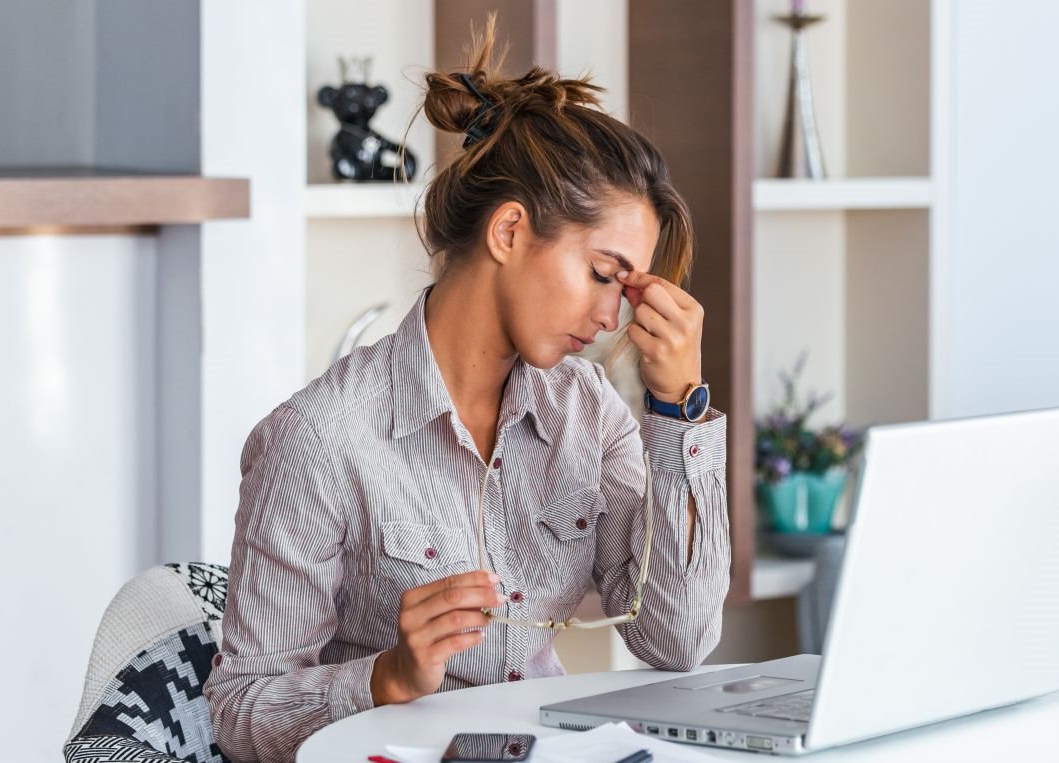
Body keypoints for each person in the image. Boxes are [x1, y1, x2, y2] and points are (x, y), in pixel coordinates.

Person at [203, 17, 730, 763]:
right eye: (603, 274)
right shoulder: (320, 438)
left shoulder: (587, 411)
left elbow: (676, 640)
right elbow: (240, 709)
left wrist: (680, 413)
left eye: (627, 288)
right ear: (510, 232)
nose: (613, 315)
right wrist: (383, 677)